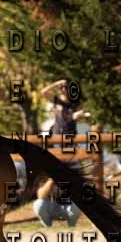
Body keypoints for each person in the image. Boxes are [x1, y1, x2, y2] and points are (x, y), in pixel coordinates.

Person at [33, 79, 85, 227]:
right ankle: (49, 219)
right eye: (61, 87)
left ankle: (71, 220)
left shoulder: (75, 104)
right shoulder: (57, 101)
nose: (62, 89)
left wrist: (77, 116)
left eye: (65, 87)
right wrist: (57, 83)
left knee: (74, 174)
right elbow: (43, 92)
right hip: (57, 144)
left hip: (70, 145)